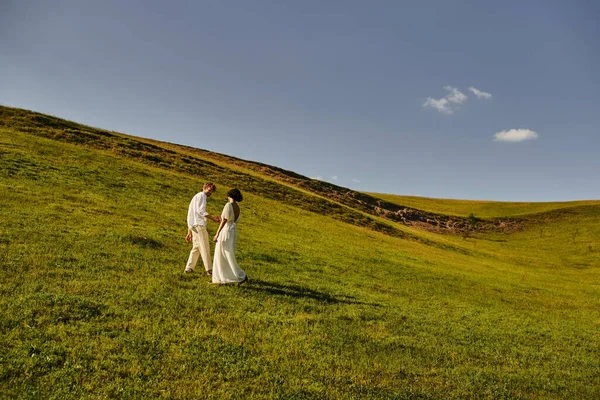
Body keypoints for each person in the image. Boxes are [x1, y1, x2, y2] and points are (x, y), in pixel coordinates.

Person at [212, 188, 247, 284]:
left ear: (230, 196)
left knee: (223, 252)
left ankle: (236, 275)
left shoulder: (228, 205)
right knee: (228, 252)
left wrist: (217, 233)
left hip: (226, 230)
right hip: (233, 231)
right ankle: (227, 275)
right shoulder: (238, 207)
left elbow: (224, 220)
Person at [184, 182, 220, 275]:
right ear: (205, 187)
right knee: (205, 247)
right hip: (199, 226)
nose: (210, 193)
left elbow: (192, 214)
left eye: (211, 191)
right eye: (209, 190)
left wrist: (190, 230)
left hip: (194, 226)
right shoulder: (202, 196)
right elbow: (200, 211)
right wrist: (213, 218)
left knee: (196, 248)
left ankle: (189, 268)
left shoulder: (197, 196)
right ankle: (210, 269)